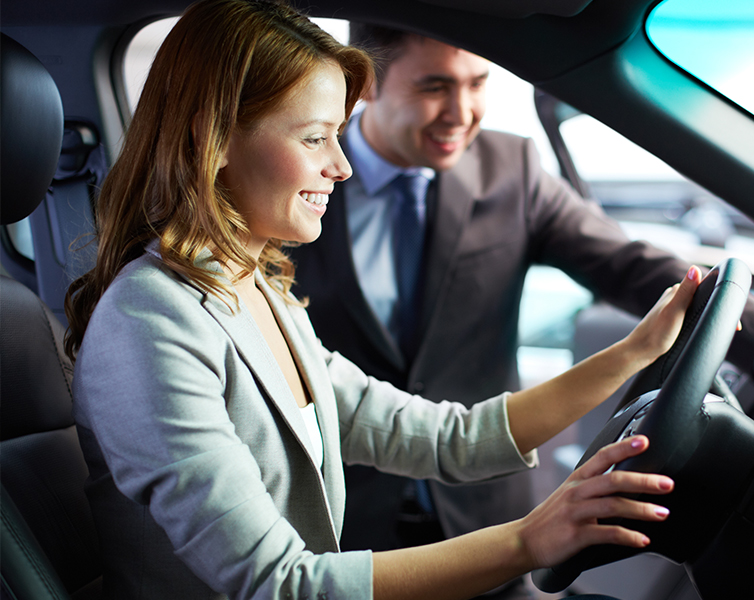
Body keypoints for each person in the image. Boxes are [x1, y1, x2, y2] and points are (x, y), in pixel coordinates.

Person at [64, 1, 703, 598]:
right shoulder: (148, 322)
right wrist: (528, 539)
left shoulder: (258, 291)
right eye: (315, 139)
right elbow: (279, 584)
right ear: (216, 140)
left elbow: (449, 440)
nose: (341, 166)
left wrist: (635, 353)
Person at [286, 23, 754, 598]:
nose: (462, 111)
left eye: (478, 84)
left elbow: (632, 263)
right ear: (369, 84)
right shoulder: (294, 188)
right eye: (435, 87)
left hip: (489, 513)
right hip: (343, 524)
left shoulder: (512, 169)